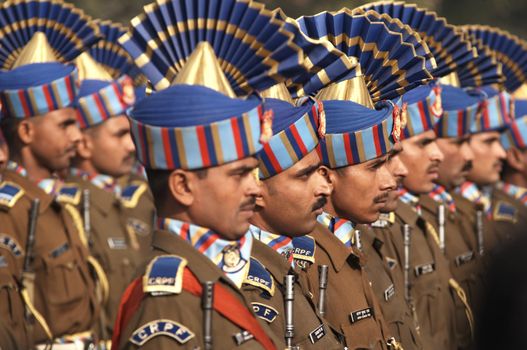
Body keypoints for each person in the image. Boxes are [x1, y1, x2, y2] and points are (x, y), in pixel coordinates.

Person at [112, 0, 309, 348]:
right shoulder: (167, 302)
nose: (255, 188)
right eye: (239, 174)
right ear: (183, 186)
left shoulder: (215, 271)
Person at [297, 9, 437, 349]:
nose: (393, 179)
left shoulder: (363, 241)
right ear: (326, 176)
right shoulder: (302, 266)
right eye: (376, 166)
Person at [0, 1, 101, 347]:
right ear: (26, 132)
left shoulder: (53, 203)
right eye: (66, 125)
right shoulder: (10, 211)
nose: (77, 136)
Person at [64, 20, 143, 343]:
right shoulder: (64, 207)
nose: (131, 145)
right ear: (82, 141)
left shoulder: (136, 198)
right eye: (120, 134)